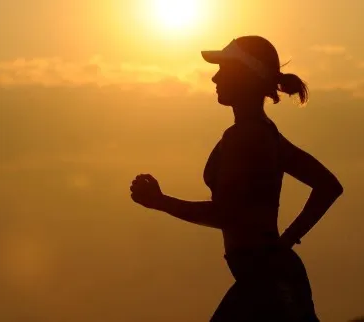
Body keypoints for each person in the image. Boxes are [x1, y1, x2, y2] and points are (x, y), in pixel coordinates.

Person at [129, 36, 344, 321]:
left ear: (246, 77)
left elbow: (226, 215)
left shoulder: (245, 137)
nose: (214, 77)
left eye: (224, 69)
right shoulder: (267, 133)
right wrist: (285, 242)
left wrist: (161, 202)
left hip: (265, 286)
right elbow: (329, 186)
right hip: (273, 279)